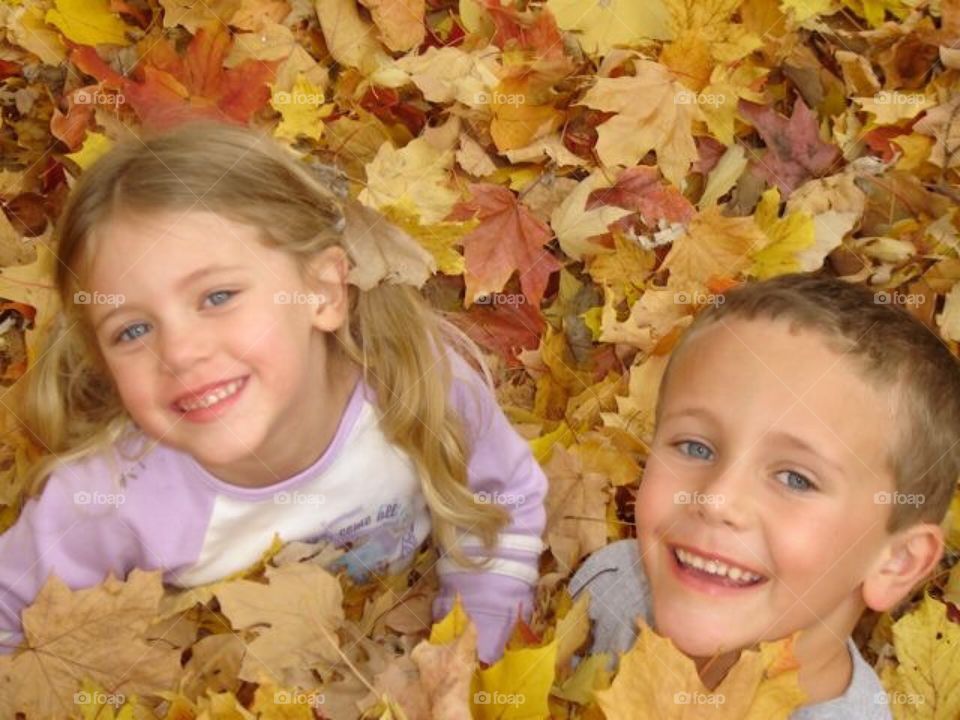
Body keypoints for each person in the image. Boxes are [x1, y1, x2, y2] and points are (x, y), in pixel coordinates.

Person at [0, 120, 547, 664]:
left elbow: (500, 503)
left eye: (217, 296)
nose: (180, 352)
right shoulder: (112, 501)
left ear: (323, 292)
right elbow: (11, 610)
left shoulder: (414, 380)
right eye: (133, 331)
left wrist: (471, 656)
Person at [570, 271, 960, 718]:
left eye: (795, 479)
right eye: (696, 447)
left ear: (897, 562)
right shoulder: (612, 587)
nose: (717, 501)